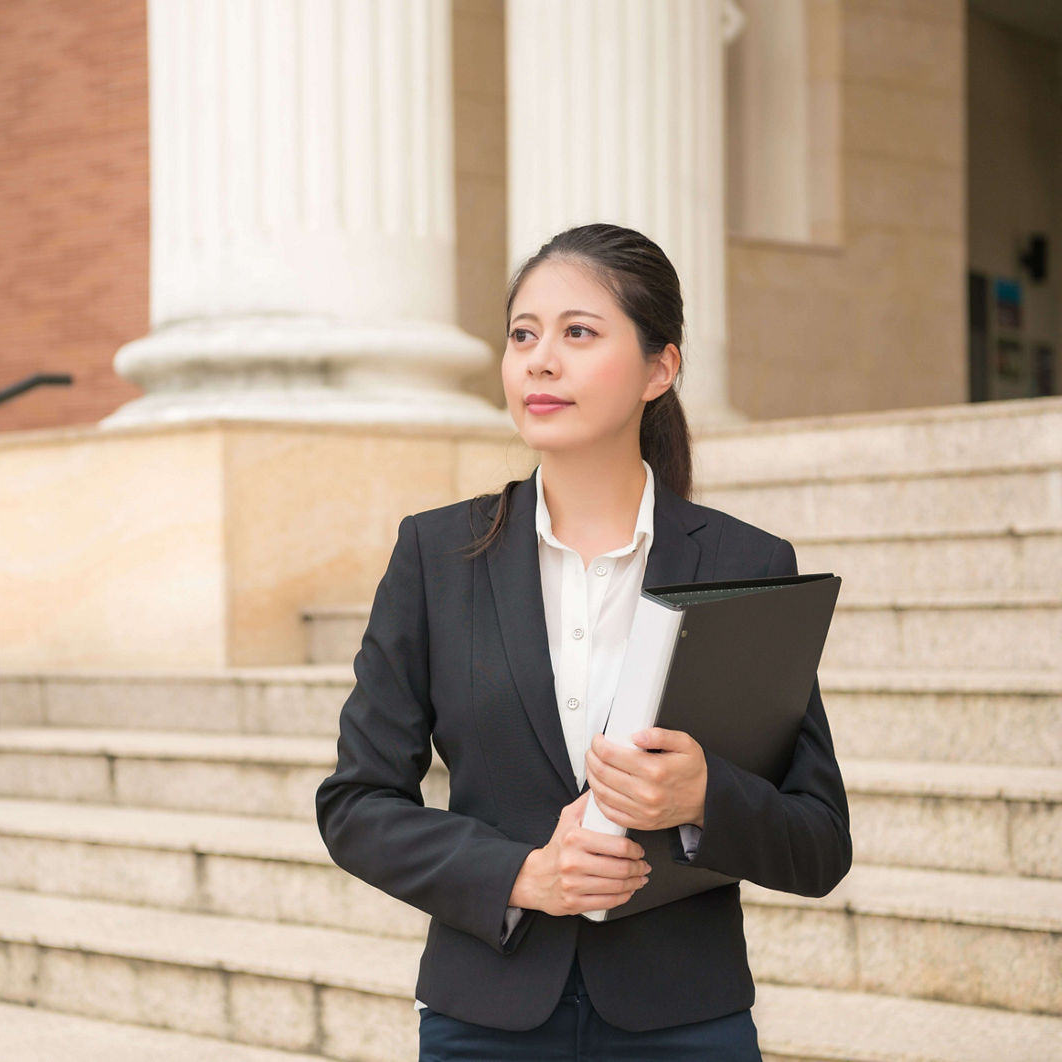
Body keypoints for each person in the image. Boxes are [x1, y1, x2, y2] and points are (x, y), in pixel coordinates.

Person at [315, 223, 852, 1060]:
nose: (540, 359)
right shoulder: (435, 557)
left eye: (578, 333)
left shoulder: (748, 562)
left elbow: (819, 840)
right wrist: (521, 875)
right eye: (523, 335)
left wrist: (705, 798)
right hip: (485, 1022)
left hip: (685, 1022)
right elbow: (356, 805)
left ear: (660, 368)